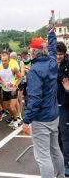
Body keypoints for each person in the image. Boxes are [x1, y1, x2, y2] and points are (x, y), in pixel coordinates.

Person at [23, 19, 65, 178]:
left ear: (33, 52)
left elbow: (34, 99)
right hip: (54, 115)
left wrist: (26, 120)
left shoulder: (34, 71)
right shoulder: (52, 62)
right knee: (55, 150)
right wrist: (52, 32)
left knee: (43, 156)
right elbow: (53, 48)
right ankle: (60, 176)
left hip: (41, 119)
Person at [56, 41, 69, 176]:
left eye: (60, 54)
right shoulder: (52, 65)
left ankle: (67, 163)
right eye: (56, 54)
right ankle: (60, 161)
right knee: (58, 135)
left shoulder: (68, 66)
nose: (58, 56)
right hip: (54, 105)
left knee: (66, 136)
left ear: (64, 54)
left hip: (65, 105)